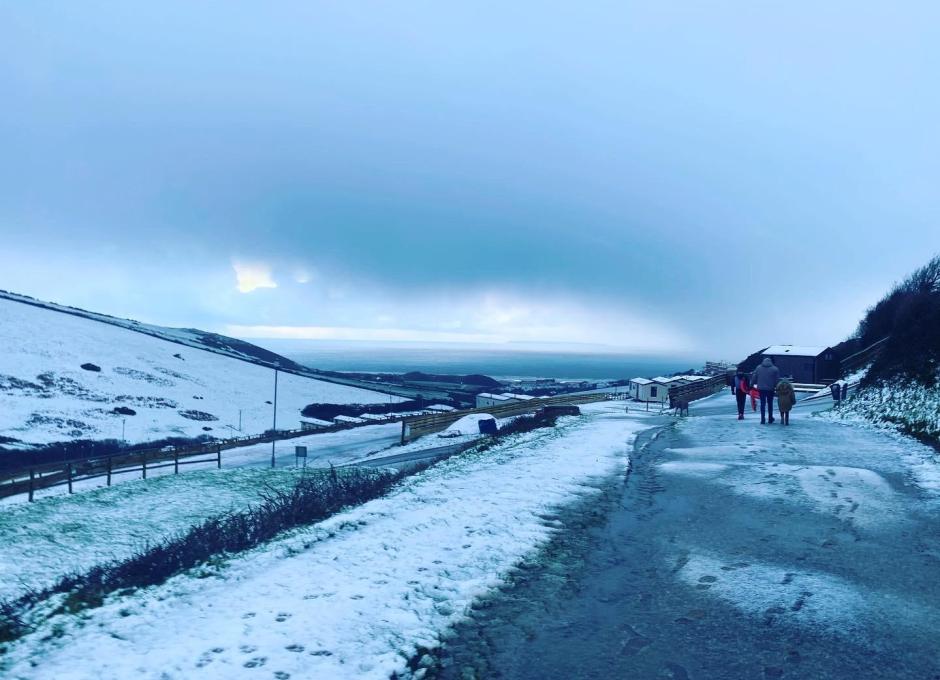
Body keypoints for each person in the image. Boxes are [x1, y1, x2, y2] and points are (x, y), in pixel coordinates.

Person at [751, 357, 781, 424]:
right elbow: (777, 380)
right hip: (770, 389)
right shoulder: (775, 369)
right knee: (770, 404)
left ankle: (763, 419)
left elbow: (754, 377)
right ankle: (770, 418)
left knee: (762, 404)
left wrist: (751, 384)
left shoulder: (758, 368)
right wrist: (777, 388)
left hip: (761, 389)